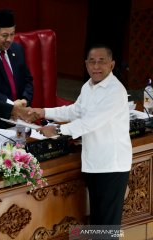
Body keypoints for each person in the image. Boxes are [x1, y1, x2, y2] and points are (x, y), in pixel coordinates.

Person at [33, 44, 132, 226]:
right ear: (86, 64)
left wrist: (57, 130)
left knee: (107, 224)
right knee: (96, 221)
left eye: (101, 62)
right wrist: (43, 112)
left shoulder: (115, 91)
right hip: (93, 164)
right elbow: (75, 111)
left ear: (112, 64)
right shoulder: (88, 86)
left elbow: (89, 122)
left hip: (111, 165)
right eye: (91, 62)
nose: (96, 66)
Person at [0, 9, 33, 107]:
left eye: (12, 34)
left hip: (20, 111)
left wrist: (25, 99)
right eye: (5, 35)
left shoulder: (17, 49)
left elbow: (27, 79)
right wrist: (10, 104)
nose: (9, 40)